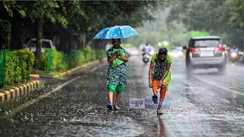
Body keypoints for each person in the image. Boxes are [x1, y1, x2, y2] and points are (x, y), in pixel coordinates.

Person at [106, 39, 129, 111]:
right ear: (112, 42)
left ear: (120, 42)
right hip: (113, 71)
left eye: (117, 41)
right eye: (114, 41)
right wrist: (114, 55)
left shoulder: (123, 50)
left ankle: (115, 104)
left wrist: (119, 56)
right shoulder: (109, 51)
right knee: (111, 86)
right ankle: (110, 103)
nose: (115, 43)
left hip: (122, 72)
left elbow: (126, 59)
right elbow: (109, 61)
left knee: (119, 88)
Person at [148, 48, 172, 114]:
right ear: (158, 54)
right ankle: (155, 95)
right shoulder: (154, 56)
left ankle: (159, 108)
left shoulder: (169, 58)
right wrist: (150, 80)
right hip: (156, 74)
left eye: (164, 55)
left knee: (163, 90)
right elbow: (151, 69)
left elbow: (167, 70)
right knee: (154, 87)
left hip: (165, 75)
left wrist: (162, 80)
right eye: (160, 55)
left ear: (166, 55)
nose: (162, 56)